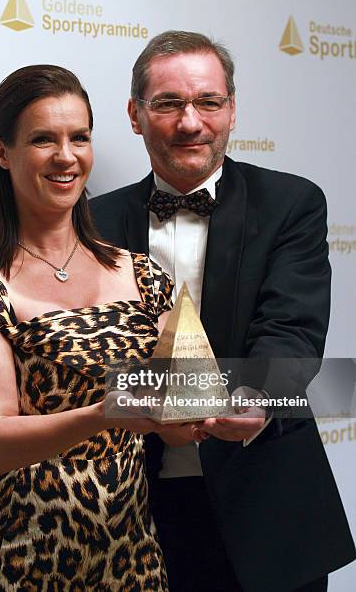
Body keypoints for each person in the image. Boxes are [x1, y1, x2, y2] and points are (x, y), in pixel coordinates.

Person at [89, 31, 356, 592]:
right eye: (168, 103)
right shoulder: (94, 222)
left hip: (269, 505)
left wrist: (255, 399)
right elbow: (93, 359)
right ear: (135, 115)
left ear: (232, 110)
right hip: (134, 512)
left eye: (208, 101)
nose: (191, 122)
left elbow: (292, 329)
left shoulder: (291, 203)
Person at [0, 64, 179, 590]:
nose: (67, 157)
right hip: (19, 553)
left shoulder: (143, 274)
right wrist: (107, 411)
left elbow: (173, 412)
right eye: (43, 139)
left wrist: (225, 413)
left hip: (131, 549)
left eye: (80, 137)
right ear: (3, 153)